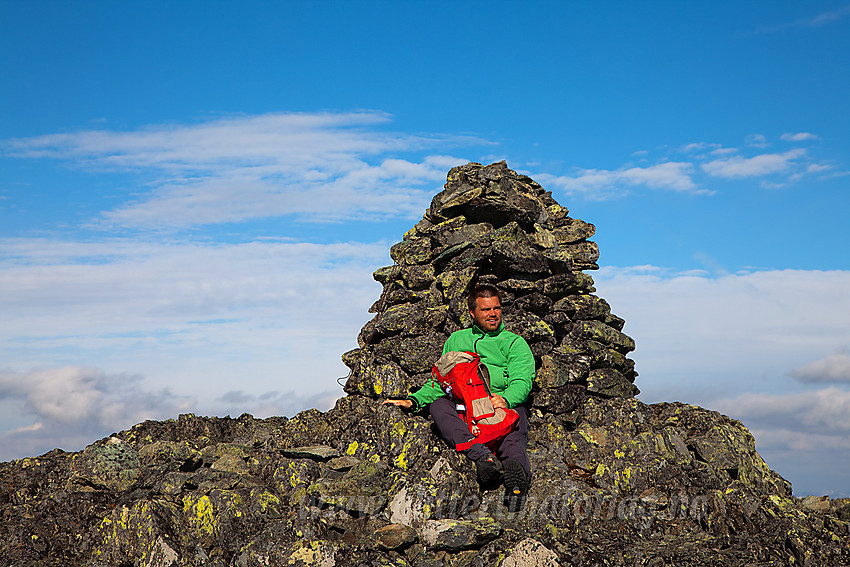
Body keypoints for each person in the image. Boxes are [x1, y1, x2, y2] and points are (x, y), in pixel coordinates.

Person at [383, 284, 535, 510]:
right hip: (465, 404)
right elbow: (442, 381)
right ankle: (484, 458)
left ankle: (517, 477)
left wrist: (506, 399)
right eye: (485, 310)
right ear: (472, 313)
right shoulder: (456, 340)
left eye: (496, 308)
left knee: (513, 431)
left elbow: (522, 379)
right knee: (438, 406)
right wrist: (414, 401)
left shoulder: (514, 343)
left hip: (498, 402)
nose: (492, 314)